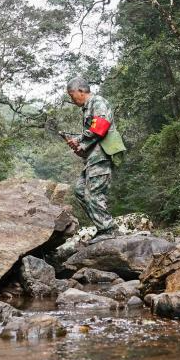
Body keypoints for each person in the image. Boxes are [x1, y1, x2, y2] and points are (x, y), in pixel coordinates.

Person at [63, 77, 126, 242]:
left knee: (94, 194)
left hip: (102, 156)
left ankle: (109, 229)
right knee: (79, 190)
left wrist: (80, 141)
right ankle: (103, 226)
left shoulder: (98, 102)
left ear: (81, 91)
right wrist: (79, 145)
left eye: (72, 95)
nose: (72, 99)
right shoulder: (87, 108)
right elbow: (91, 135)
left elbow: (101, 126)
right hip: (92, 159)